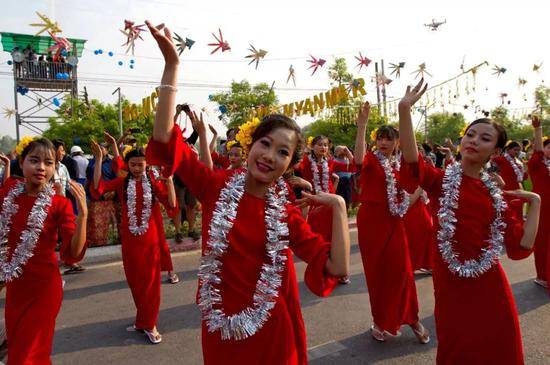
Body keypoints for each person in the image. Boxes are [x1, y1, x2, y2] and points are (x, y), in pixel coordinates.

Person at [144, 20, 349, 364]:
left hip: (273, 333)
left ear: (290, 164)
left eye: (283, 152)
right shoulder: (215, 186)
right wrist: (172, 66)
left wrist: (340, 206)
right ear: (250, 144)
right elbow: (165, 140)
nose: (270, 156)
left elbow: (335, 265)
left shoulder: (285, 213)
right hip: (221, 332)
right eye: (265, 144)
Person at [398, 79, 541, 365]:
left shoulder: (497, 196)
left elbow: (520, 246)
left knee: (499, 346)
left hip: (490, 284)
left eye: (485, 139)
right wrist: (404, 109)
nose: (474, 140)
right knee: (457, 346)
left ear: (495, 152)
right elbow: (413, 163)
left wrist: (535, 202)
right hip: (451, 283)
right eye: (470, 134)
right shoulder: (441, 181)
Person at [1, 137, 87, 364]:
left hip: (44, 290)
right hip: (16, 291)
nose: (41, 168)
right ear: (21, 161)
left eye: (48, 163)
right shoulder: (9, 192)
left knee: (25, 356)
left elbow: (73, 254)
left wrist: (83, 217)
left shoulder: (60, 204)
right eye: (34, 160)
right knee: (27, 352)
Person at [354, 102, 429, 343]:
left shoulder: (400, 165)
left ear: (397, 142)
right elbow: (356, 159)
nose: (384, 143)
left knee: (403, 272)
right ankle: (379, 320)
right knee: (377, 275)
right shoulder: (371, 160)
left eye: (389, 139)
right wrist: (362, 126)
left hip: (394, 222)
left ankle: (413, 319)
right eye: (381, 139)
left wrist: (414, 197)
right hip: (371, 223)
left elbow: (414, 185)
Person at [91, 141, 178, 344]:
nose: (137, 168)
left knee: (151, 283)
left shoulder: (154, 184)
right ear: (127, 166)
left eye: (141, 164)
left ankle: (150, 323)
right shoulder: (122, 184)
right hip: (130, 242)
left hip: (150, 241)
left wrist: (170, 181)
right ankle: (142, 320)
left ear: (146, 164)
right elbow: (98, 187)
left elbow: (172, 204)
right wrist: (98, 160)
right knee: (135, 282)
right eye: (133, 165)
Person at [527, 115, 550, 290]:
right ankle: (542, 275)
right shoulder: (536, 164)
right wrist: (538, 130)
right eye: (549, 146)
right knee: (542, 242)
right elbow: (538, 151)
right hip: (541, 209)